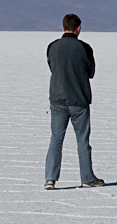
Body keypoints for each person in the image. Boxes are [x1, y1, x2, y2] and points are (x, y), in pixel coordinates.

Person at [44, 13, 104, 189]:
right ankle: (87, 179)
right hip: (79, 101)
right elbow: (91, 72)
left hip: (57, 100)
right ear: (78, 28)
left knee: (56, 139)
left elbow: (52, 67)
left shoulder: (52, 47)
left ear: (63, 27)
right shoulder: (84, 48)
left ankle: (50, 179)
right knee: (82, 141)